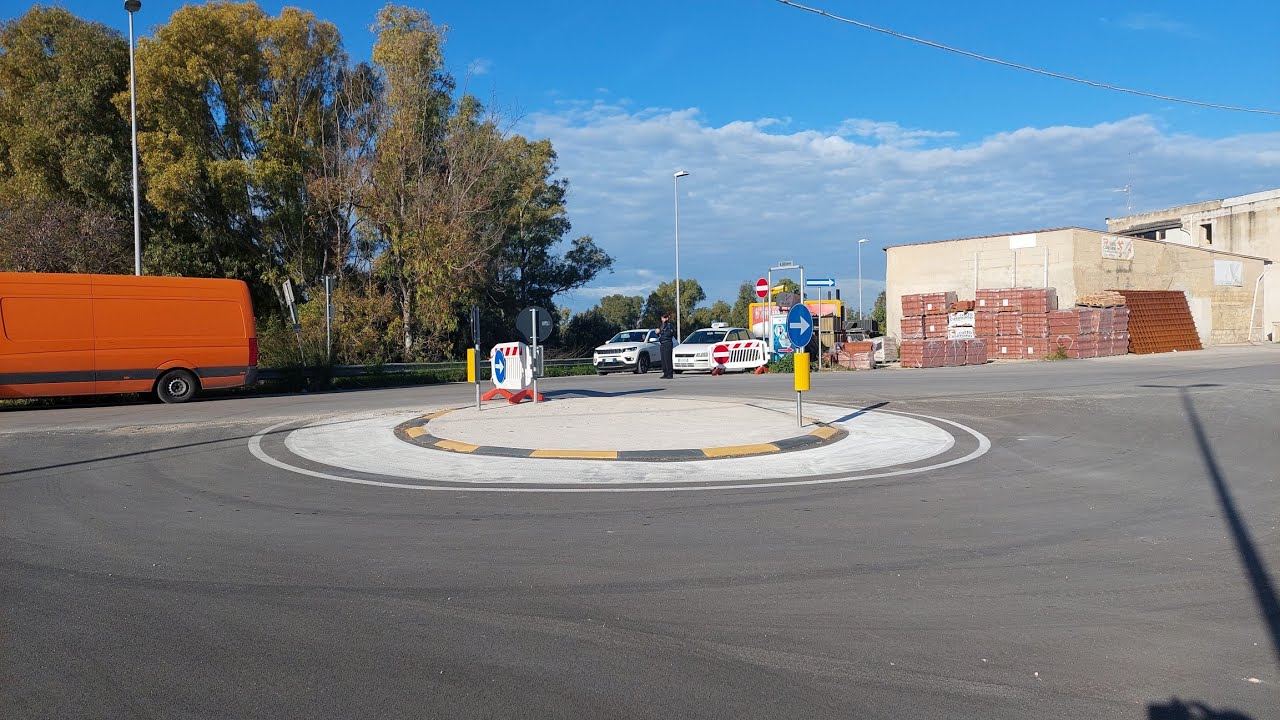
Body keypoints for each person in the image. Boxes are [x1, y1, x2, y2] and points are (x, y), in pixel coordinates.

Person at [658, 312, 676, 378]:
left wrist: (661, 331)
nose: (663, 319)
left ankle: (670, 373)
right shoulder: (662, 325)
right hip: (662, 343)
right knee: (663, 359)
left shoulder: (669, 325)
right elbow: (661, 334)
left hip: (668, 343)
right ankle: (665, 373)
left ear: (667, 318)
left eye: (664, 318)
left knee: (668, 359)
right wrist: (658, 333)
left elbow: (669, 333)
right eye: (662, 318)